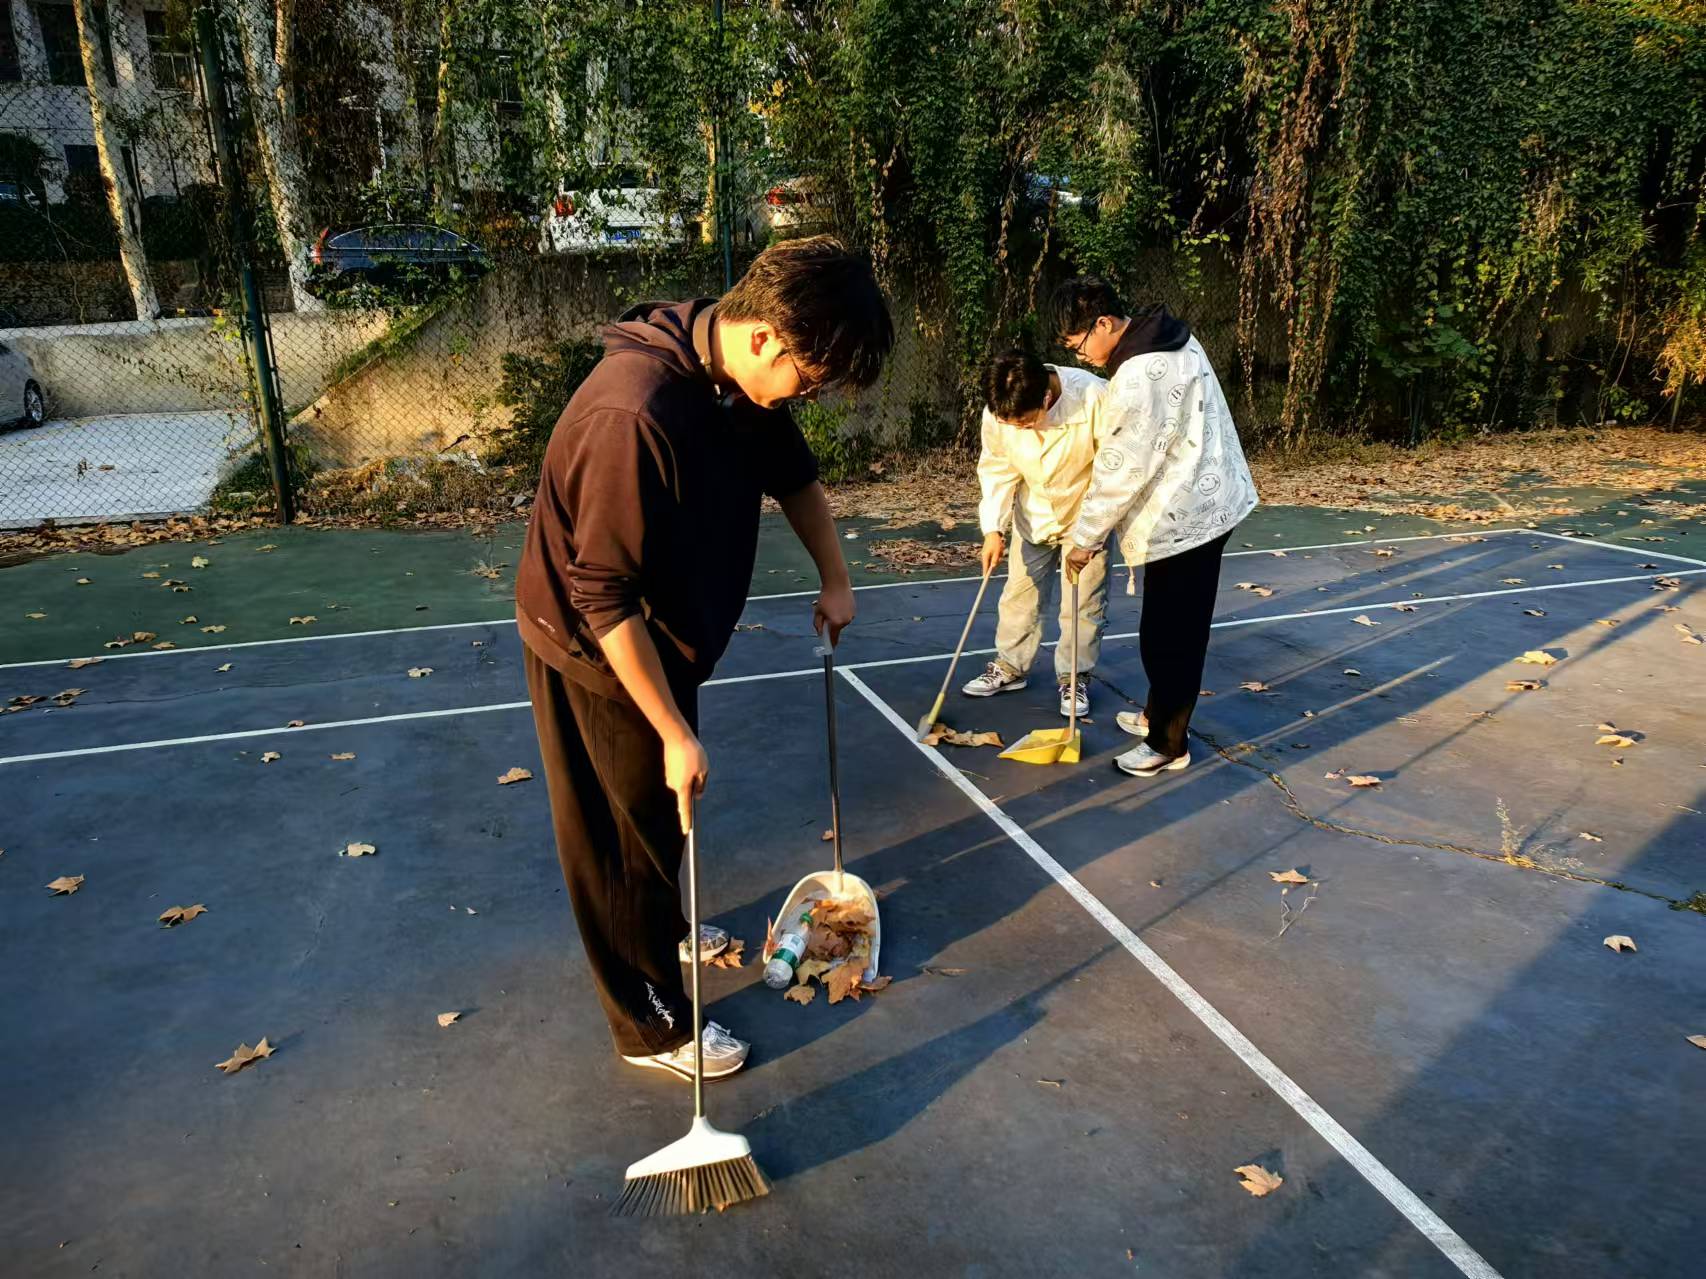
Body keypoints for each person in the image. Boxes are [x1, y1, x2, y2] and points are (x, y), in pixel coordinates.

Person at [515, 236, 893, 1082]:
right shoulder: (633, 414)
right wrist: (672, 729)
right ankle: (650, 1025)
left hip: (663, 630)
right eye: (809, 380)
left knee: (660, 816)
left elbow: (794, 478)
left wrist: (836, 578)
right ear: (765, 337)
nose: (807, 397)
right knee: (625, 845)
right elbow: (602, 596)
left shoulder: (735, 380)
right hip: (596, 646)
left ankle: (667, 927)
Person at [1053, 276, 1258, 777]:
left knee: (1171, 635)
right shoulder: (1171, 337)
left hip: (1188, 515)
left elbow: (1121, 468)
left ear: (1103, 323)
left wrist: (1085, 539)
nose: (1081, 356)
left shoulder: (1140, 373)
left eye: (1078, 344)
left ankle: (1168, 743)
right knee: (1171, 625)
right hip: (1205, 497)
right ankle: (1156, 714)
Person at [962, 347, 1111, 718]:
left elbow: (1114, 470)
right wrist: (993, 529)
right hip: (1034, 514)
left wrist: (1090, 535)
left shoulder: (1094, 397)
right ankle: (1011, 665)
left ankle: (1074, 677)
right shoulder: (999, 411)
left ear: (1046, 397)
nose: (1018, 430)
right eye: (1011, 425)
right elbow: (996, 469)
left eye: (1025, 423)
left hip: (1087, 514)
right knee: (1020, 594)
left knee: (1084, 601)